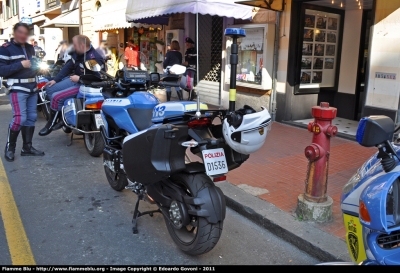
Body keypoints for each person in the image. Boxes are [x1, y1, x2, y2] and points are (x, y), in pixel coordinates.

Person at [39, 35, 106, 136]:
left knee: (56, 97)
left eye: (75, 45)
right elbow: (68, 66)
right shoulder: (78, 53)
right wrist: (55, 80)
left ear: (82, 45)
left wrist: (80, 78)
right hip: (76, 80)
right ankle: (62, 117)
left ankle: (51, 124)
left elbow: (99, 78)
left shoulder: (94, 57)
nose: (73, 47)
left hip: (86, 85)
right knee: (49, 87)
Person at [0, 22, 45, 162]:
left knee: (31, 118)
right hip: (17, 88)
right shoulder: (5, 49)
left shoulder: (31, 48)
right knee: (20, 118)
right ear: (14, 33)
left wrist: (39, 68)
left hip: (32, 86)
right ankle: (10, 148)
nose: (23, 35)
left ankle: (27, 148)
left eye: (26, 33)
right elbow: (1, 70)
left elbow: (32, 66)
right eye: (20, 32)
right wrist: (20, 64)